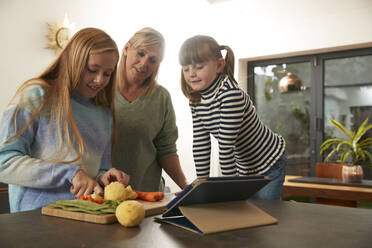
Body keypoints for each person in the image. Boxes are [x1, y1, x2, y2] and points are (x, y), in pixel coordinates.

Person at [0, 27, 129, 213]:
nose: (100, 80)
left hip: (86, 218)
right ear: (73, 61)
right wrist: (70, 173)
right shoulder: (35, 96)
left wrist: (105, 177)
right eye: (92, 70)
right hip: (35, 221)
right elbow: (4, 162)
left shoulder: (104, 115)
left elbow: (98, 170)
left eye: (108, 74)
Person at [179, 35, 286, 200]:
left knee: (266, 215)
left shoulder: (230, 94)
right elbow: (201, 144)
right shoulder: (196, 100)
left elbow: (225, 146)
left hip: (269, 162)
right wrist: (200, 187)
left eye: (199, 67)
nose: (191, 74)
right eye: (186, 69)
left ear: (219, 65)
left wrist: (231, 194)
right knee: (247, 218)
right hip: (245, 167)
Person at [113, 27, 187, 192]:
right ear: (126, 49)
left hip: (147, 196)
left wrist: (187, 187)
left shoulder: (161, 98)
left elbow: (167, 150)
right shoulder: (100, 89)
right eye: (140, 53)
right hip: (102, 196)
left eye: (153, 60)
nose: (144, 63)